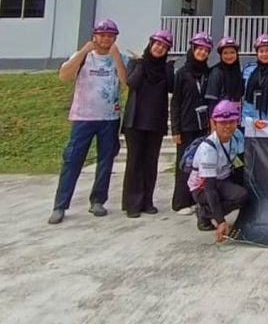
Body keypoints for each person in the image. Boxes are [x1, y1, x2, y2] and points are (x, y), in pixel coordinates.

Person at [48, 19, 128, 225]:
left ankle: (98, 200)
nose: (106, 39)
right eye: (102, 35)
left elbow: (126, 81)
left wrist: (117, 56)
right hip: (83, 118)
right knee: (72, 160)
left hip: (109, 117)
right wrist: (83, 52)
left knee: (106, 160)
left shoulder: (119, 57)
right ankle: (60, 205)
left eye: (110, 35)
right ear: (95, 36)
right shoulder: (83, 57)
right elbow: (64, 76)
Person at [121, 30, 176, 218]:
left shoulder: (165, 68)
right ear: (151, 44)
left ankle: (147, 201)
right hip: (135, 122)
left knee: (150, 163)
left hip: (155, 122)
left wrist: (169, 69)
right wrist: (142, 63)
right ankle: (132, 204)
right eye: (157, 44)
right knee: (134, 162)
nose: (160, 48)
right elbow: (132, 83)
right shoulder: (136, 63)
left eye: (164, 46)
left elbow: (171, 87)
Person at [188, 100, 248, 242]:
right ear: (214, 123)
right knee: (234, 196)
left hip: (222, 179)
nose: (227, 126)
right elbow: (210, 188)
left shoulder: (236, 137)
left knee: (244, 195)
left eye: (231, 122)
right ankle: (205, 213)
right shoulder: (208, 148)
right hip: (202, 187)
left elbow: (239, 165)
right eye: (222, 123)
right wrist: (221, 221)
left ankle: (209, 212)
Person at [170, 32, 213, 215]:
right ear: (192, 49)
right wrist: (175, 129)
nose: (202, 53)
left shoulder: (208, 73)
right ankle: (180, 202)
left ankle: (196, 199)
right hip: (186, 125)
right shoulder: (182, 73)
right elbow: (175, 102)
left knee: (201, 165)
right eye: (199, 49)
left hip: (203, 125)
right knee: (185, 164)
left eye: (205, 50)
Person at [242, 34, 268, 122]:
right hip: (250, 119)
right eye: (261, 51)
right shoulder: (248, 70)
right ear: (257, 53)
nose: (264, 54)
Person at [204, 37, 244, 111]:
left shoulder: (237, 72)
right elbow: (211, 101)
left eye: (232, 52)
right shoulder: (216, 72)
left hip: (235, 116)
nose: (229, 56)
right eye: (225, 53)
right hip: (219, 118)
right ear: (220, 55)